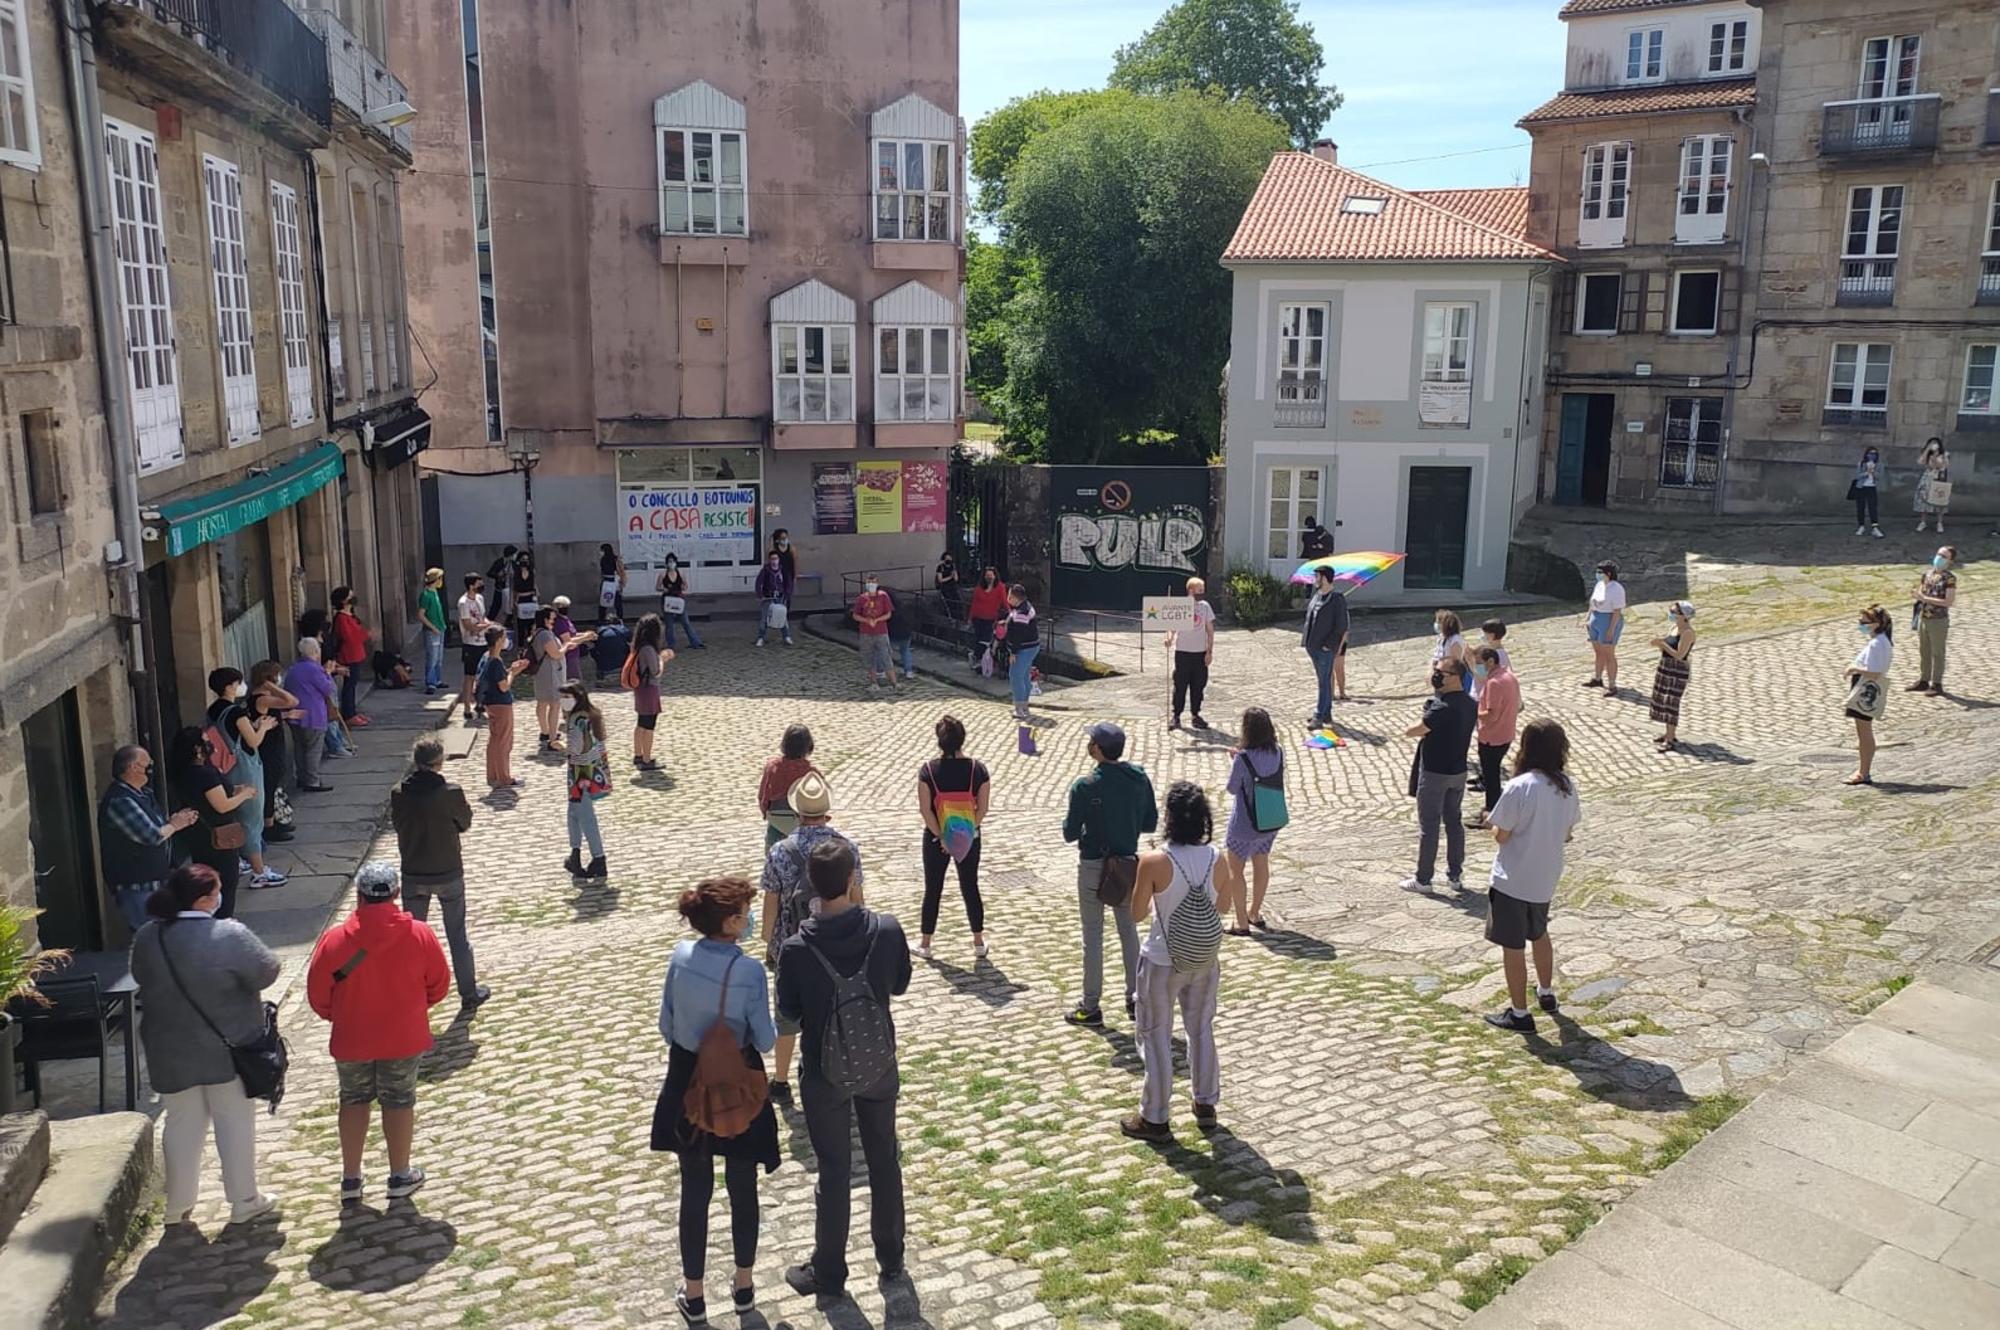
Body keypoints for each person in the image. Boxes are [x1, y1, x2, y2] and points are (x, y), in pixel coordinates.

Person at [775, 839, 911, 1301]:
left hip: (823, 1070)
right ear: (853, 880)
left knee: (834, 1169)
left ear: (812, 886)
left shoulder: (796, 949)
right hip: (878, 1063)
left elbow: (788, 1013)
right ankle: (891, 1259)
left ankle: (829, 1271)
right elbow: (901, 983)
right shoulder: (887, 929)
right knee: (883, 1159)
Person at [653, 877, 780, 1326]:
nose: (748, 922)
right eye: (744, 915)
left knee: (695, 1190)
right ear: (730, 923)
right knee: (742, 1188)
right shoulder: (747, 972)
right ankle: (744, 1287)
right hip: (736, 1085)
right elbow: (764, 1038)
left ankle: (694, 1294)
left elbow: (666, 1024)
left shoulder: (680, 957)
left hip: (687, 1077)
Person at [128, 863, 282, 1226]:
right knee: (234, 1120)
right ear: (204, 900)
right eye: (216, 892)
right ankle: (244, 1198)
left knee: (181, 1123)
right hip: (226, 1049)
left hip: (168, 1050)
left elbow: (138, 974)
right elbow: (268, 970)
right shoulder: (228, 934)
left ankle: (177, 1206)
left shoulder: (150, 936)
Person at [306, 863, 450, 1204]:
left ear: (359, 895)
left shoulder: (335, 940)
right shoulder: (419, 934)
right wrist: (413, 1008)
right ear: (397, 894)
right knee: (399, 1100)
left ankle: (351, 1178)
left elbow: (318, 994)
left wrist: (340, 1015)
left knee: (353, 1100)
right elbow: (440, 984)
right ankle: (400, 1174)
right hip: (403, 1035)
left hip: (352, 1035)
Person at [1121, 781, 1224, 1141]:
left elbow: (1135, 914)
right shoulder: (1216, 858)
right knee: (1201, 1029)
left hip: (1163, 960)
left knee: (1155, 1035)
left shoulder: (1154, 861)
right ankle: (1206, 1101)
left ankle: (1155, 1116)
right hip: (1204, 958)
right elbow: (1221, 907)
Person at [760, 771, 862, 1101]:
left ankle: (780, 1080)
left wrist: (768, 941)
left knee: (787, 1014)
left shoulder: (779, 851)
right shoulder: (848, 849)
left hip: (794, 942)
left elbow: (771, 902)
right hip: (838, 943)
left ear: (797, 813)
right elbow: (858, 900)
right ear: (827, 812)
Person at [1482, 719, 1583, 1033]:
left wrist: (1490, 822)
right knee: (1539, 933)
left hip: (1513, 877)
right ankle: (1546, 991)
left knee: (1513, 947)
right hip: (1545, 877)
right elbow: (1567, 834)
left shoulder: (1520, 786)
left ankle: (1520, 1013)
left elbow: (1502, 835)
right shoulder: (1567, 787)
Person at [1061, 722, 1157, 1026]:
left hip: (1093, 865)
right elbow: (1150, 823)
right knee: (1129, 932)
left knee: (1093, 935)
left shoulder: (1085, 785)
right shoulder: (1138, 779)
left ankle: (1090, 1005)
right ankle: (1134, 997)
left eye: (1091, 741)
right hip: (1127, 864)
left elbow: (1068, 832)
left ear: (1098, 750)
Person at [390, 737, 489, 1012]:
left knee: (413, 939)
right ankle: (469, 992)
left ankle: (414, 994)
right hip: (447, 871)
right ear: (439, 762)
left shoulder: (399, 792)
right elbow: (465, 822)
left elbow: (398, 824)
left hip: (413, 872)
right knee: (457, 934)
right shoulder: (450, 792)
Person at [915, 714, 990, 961]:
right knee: (970, 886)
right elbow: (983, 808)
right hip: (970, 836)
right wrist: (966, 833)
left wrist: (942, 836)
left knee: (933, 888)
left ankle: (926, 943)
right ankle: (978, 940)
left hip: (936, 838)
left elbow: (926, 810)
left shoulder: (928, 770)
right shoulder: (977, 769)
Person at [100, 745, 198, 931]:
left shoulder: (144, 794)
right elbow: (152, 836)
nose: (150, 768)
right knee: (150, 936)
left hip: (156, 880)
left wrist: (176, 821)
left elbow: (159, 827)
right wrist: (176, 825)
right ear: (134, 767)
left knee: (166, 933)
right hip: (137, 885)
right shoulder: (121, 800)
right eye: (147, 764)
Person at [1401, 657, 1477, 894]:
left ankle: (1423, 879)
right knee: (1454, 822)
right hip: (1458, 771)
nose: (1436, 676)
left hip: (1435, 773)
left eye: (1441, 673)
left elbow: (1414, 730)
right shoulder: (1470, 703)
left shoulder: (1442, 707)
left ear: (1455, 677)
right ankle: (1455, 874)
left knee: (1430, 825)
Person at [206, 668, 287, 890]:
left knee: (237, 817)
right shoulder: (235, 712)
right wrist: (264, 727)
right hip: (244, 767)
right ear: (231, 685)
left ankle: (242, 860)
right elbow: (252, 741)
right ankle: (259, 871)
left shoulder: (213, 709)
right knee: (252, 820)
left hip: (224, 767)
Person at [1223, 708, 1283, 935]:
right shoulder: (1278, 752)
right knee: (1261, 864)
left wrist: (1235, 760)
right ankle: (1254, 912)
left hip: (1244, 824)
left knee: (1235, 870)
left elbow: (1232, 788)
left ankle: (1241, 922)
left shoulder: (1243, 758)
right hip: (1269, 820)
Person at [561, 683, 612, 879]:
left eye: (565, 697)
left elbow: (575, 748)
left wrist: (558, 746)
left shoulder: (577, 719)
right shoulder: (592, 714)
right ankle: (575, 854)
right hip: (590, 771)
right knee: (573, 814)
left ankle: (598, 858)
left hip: (581, 774)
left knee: (586, 817)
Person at [246, 661, 299, 839]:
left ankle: (275, 818)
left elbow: (270, 715)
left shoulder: (264, 698)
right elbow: (292, 701)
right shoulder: (262, 697)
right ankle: (268, 825)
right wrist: (272, 687)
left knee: (275, 782)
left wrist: (286, 715)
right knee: (269, 783)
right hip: (268, 747)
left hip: (274, 742)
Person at [477, 626, 533, 789]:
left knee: (494, 740)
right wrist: (513, 674)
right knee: (503, 741)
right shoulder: (495, 661)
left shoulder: (487, 658)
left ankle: (493, 774)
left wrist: (511, 670)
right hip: (501, 704)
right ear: (499, 641)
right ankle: (504, 777)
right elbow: (503, 686)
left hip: (491, 703)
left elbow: (496, 678)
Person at [1470, 646, 1520, 828]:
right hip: (1506, 733)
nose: (1477, 668)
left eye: (1479, 664)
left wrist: (1474, 712)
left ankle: (1492, 813)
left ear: (1491, 661)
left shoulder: (1494, 683)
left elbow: (1491, 714)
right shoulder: (1509, 676)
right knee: (1492, 776)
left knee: (1491, 778)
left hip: (1492, 736)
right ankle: (1493, 810)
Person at [1845, 604, 1894, 786]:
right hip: (1866, 686)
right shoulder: (1881, 641)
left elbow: (1874, 672)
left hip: (1866, 688)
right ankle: (1863, 770)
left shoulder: (1877, 644)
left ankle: (1863, 771)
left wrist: (1852, 669)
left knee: (1864, 733)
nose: (1861, 625)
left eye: (1864, 622)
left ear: (1875, 624)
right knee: (1863, 732)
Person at [285, 638, 339, 794]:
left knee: (300, 748)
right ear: (315, 652)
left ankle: (302, 777)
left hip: (295, 715)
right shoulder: (314, 669)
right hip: (313, 715)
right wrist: (328, 673)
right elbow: (327, 689)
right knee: (313, 749)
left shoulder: (294, 668)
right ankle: (312, 780)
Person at [758, 724, 819, 850]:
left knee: (773, 860)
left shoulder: (772, 767)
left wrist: (765, 812)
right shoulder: (811, 773)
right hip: (802, 826)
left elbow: (763, 796)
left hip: (776, 822)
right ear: (808, 746)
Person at [1300, 565, 1348, 726]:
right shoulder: (1317, 596)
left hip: (1325, 649)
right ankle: (1326, 714)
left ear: (1325, 578)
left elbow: (1341, 626)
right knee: (1324, 680)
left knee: (1324, 681)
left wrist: (1330, 646)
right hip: (1312, 646)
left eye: (1317, 576)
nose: (1315, 579)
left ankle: (1319, 716)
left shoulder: (1337, 599)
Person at [1647, 601, 1698, 751]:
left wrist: (1662, 645)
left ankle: (1670, 739)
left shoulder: (1688, 633)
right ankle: (1669, 733)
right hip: (1665, 666)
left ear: (1684, 616)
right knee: (1662, 700)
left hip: (1677, 670)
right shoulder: (1674, 628)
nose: (1671, 613)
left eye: (1675, 612)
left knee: (1671, 702)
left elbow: (1680, 655)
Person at [1168, 576, 1216, 731]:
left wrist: (1209, 652)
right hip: (1183, 652)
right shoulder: (1181, 606)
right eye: (1199, 590)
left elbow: (1210, 630)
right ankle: (1176, 716)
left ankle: (1196, 715)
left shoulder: (1205, 607)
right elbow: (1171, 628)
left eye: (1203, 591)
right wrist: (1169, 639)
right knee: (1180, 685)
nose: (1202, 593)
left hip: (1199, 653)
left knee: (1198, 685)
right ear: (1191, 590)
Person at [1909, 546, 1957, 696]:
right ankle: (1924, 679)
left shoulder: (1949, 578)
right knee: (1924, 650)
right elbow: (1921, 592)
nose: (1939, 558)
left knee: (1938, 652)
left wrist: (1925, 599)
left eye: (1944, 556)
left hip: (1938, 619)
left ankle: (1937, 683)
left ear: (1950, 561)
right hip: (1924, 617)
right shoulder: (1927, 574)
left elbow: (1948, 601)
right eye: (1938, 554)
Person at [630, 613, 674, 771]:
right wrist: (663, 659)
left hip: (641, 689)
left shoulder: (638, 646)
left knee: (641, 722)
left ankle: (638, 754)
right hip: (649, 689)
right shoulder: (648, 649)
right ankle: (647, 759)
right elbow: (656, 671)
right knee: (649, 725)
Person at [329, 586, 372, 727]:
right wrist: (366, 635)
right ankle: (349, 714)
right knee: (349, 686)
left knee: (352, 685)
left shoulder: (350, 616)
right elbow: (350, 637)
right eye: (349, 595)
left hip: (356, 654)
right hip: (348, 656)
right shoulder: (341, 619)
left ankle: (352, 711)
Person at [529, 605, 569, 753]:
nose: (553, 622)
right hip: (549, 673)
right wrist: (566, 646)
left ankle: (545, 731)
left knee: (542, 703)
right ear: (545, 619)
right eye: (552, 619)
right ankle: (552, 738)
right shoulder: (545, 635)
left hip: (542, 673)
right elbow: (556, 654)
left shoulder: (536, 632)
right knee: (554, 704)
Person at [1583, 561, 1626, 697]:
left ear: (1608, 573)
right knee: (1598, 652)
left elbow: (1617, 611)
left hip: (1608, 620)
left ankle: (1612, 685)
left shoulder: (1616, 588)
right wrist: (1588, 619)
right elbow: (1592, 604)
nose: (1598, 575)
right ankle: (1597, 678)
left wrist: (1611, 629)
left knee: (1609, 654)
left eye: (1601, 572)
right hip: (1595, 619)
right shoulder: (1599, 585)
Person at [456, 572, 494, 722]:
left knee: (484, 675)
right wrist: (484, 626)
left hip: (483, 642)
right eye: (479, 583)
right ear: (471, 585)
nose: (481, 586)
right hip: (471, 644)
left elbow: (482, 617)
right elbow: (468, 625)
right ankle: (466, 707)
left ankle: (480, 703)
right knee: (470, 676)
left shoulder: (480, 598)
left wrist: (490, 624)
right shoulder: (463, 603)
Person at [1001, 584, 1041, 720]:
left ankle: (1020, 709)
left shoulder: (1021, 613)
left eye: (1009, 595)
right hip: (1031, 647)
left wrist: (1013, 652)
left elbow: (1019, 635)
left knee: (1016, 676)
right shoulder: (1025, 606)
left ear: (1013, 598)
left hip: (1024, 649)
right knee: (1024, 676)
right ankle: (1024, 706)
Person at [853, 574, 897, 690]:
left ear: (877, 584)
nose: (871, 585)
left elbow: (888, 613)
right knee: (869, 658)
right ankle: (873, 682)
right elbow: (855, 615)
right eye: (869, 582)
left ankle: (894, 683)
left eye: (873, 582)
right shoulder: (862, 598)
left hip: (881, 631)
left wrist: (877, 620)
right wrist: (866, 620)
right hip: (866, 633)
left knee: (886, 656)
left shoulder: (883, 596)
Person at [657, 555, 705, 649]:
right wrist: (664, 589)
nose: (671, 564)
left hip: (679, 600)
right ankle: (671, 645)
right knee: (669, 624)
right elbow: (658, 587)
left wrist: (683, 587)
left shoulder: (681, 573)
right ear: (666, 563)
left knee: (686, 622)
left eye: (673, 561)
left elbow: (685, 585)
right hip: (668, 601)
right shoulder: (663, 574)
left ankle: (695, 642)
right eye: (669, 562)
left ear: (676, 562)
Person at [967, 567, 1006, 668]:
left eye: (991, 575)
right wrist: (970, 618)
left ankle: (978, 658)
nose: (989, 577)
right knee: (978, 639)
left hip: (991, 618)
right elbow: (974, 604)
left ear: (995, 576)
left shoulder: (1000, 587)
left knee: (986, 640)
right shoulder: (979, 588)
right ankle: (977, 659)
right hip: (978, 618)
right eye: (987, 575)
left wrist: (1010, 613)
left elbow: (1004, 602)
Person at [417, 568, 448, 695]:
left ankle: (437, 679)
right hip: (432, 631)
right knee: (432, 657)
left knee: (439, 657)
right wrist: (432, 627)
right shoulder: (426, 595)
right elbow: (421, 614)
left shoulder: (435, 592)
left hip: (440, 628)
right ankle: (430, 682)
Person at [754, 553, 792, 647]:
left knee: (783, 617)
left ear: (778, 560)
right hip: (768, 597)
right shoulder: (765, 570)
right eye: (772, 559)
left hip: (780, 597)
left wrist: (787, 594)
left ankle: (786, 636)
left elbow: (788, 583)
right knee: (764, 619)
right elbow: (758, 583)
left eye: (776, 558)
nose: (774, 561)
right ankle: (761, 638)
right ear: (769, 560)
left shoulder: (783, 570)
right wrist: (760, 595)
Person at [1914, 438, 1950, 534]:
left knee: (1939, 500)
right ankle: (1923, 522)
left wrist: (1936, 456)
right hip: (1927, 478)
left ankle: (1939, 522)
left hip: (1939, 478)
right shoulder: (1927, 454)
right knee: (1924, 500)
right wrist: (1927, 451)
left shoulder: (1944, 455)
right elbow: (1920, 462)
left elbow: (1943, 466)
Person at [1851, 446, 1884, 538]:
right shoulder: (1861, 463)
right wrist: (1866, 472)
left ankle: (1875, 527)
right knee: (1860, 508)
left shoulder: (1880, 465)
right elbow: (1857, 476)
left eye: (1874, 454)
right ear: (1867, 454)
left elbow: (1880, 477)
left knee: (1872, 508)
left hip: (1872, 488)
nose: (1872, 456)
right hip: (1861, 488)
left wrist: (1873, 472)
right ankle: (1861, 526)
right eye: (1870, 453)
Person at [486, 544, 519, 626]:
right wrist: (498, 575)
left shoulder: (514, 564)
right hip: (500, 588)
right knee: (496, 606)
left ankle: (509, 623)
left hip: (511, 589)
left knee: (510, 608)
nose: (515, 556)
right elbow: (490, 573)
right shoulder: (500, 562)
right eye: (514, 554)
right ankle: (488, 621)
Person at [887, 591, 916, 683]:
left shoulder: (888, 610)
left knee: (886, 652)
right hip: (905, 632)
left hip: (892, 632)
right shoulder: (903, 607)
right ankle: (909, 671)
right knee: (905, 650)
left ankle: (883, 671)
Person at [512, 550, 540, 639]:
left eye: (527, 559)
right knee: (521, 624)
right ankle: (521, 647)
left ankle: (531, 642)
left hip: (531, 599)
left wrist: (536, 595)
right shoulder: (515, 573)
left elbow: (534, 586)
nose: (525, 561)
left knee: (532, 624)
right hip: (520, 601)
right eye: (523, 559)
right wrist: (513, 601)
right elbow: (514, 589)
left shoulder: (532, 572)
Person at [597, 541, 628, 624]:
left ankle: (619, 618)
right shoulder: (603, 559)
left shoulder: (615, 559)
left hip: (613, 581)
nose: (600, 552)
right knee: (605, 600)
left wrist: (622, 582)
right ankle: (602, 618)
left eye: (602, 550)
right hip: (608, 581)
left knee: (616, 601)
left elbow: (621, 571)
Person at [771, 529, 798, 610]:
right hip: (778, 574)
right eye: (782, 538)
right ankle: (779, 609)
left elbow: (795, 562)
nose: (785, 540)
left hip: (788, 573)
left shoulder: (791, 549)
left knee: (788, 594)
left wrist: (795, 576)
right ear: (778, 540)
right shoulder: (774, 549)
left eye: (786, 538)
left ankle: (786, 608)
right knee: (779, 593)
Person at [934, 551, 962, 620]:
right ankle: (951, 617)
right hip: (945, 587)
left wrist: (954, 573)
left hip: (953, 586)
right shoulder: (940, 567)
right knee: (949, 602)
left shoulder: (953, 567)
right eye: (947, 559)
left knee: (958, 601)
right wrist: (950, 577)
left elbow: (956, 579)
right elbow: (940, 580)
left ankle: (959, 617)